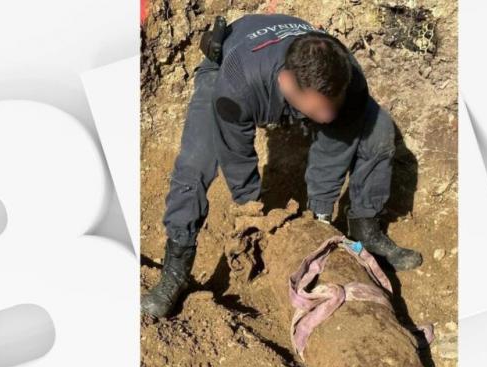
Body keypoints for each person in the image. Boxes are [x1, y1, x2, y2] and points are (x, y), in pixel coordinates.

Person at [142, 13, 423, 318]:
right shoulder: (236, 85)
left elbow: (334, 147)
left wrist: (321, 215)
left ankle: (366, 228)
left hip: (285, 71)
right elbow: (235, 152)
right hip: (228, 65)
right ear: (287, 85)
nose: (328, 117)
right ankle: (175, 273)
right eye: (317, 108)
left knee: (378, 131)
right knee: (194, 165)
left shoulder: (346, 75)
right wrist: (253, 214)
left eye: (333, 105)